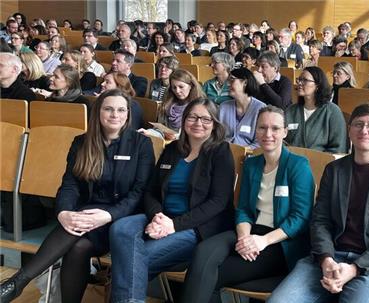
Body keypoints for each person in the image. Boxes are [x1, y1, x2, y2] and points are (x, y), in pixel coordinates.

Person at [0, 89, 155, 303]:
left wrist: (108, 215)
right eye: (108, 109)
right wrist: (63, 212)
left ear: (128, 114)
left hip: (120, 220)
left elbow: (140, 192)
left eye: (121, 110)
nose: (115, 115)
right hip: (86, 217)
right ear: (98, 112)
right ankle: (21, 285)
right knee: (79, 246)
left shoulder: (141, 144)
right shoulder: (82, 142)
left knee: (79, 235)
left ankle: (17, 282)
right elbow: (69, 185)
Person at [268, 103, 369, 303]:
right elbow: (320, 221)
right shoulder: (334, 170)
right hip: (330, 257)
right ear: (349, 131)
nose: (364, 130)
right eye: (358, 124)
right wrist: (326, 259)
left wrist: (355, 269)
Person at [181, 106, 315, 303]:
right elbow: (243, 208)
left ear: (285, 132)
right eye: (262, 128)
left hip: (279, 241)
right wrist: (245, 238)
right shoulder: (252, 164)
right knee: (202, 252)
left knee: (209, 276)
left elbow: (301, 218)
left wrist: (262, 241)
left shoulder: (298, 165)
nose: (268, 134)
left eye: (275, 128)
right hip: (250, 231)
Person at [109, 98, 235, 303]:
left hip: (195, 227)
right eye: (192, 117)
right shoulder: (172, 149)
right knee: (121, 227)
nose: (198, 123)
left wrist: (173, 225)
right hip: (161, 217)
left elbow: (218, 202)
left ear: (214, 124)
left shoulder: (220, 152)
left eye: (205, 119)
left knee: (131, 262)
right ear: (184, 120)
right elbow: (151, 191)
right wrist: (158, 216)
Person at [285, 66, 348, 153]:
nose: (299, 83)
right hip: (291, 163)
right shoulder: (290, 110)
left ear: (317, 86)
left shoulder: (332, 111)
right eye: (299, 79)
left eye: (305, 80)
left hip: (320, 164)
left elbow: (338, 148)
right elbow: (283, 141)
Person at [140, 69, 205, 140]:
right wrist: (149, 132)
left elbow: (200, 133)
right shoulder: (167, 104)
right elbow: (160, 129)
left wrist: (176, 137)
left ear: (191, 86)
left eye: (181, 87)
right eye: (174, 87)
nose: (177, 91)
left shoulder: (199, 107)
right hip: (166, 142)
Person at [219, 67, 266, 149]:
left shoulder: (260, 108)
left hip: (250, 156)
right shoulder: (223, 107)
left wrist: (241, 152)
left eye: (232, 80)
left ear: (245, 82)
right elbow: (216, 137)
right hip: (223, 154)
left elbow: (260, 142)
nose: (228, 84)